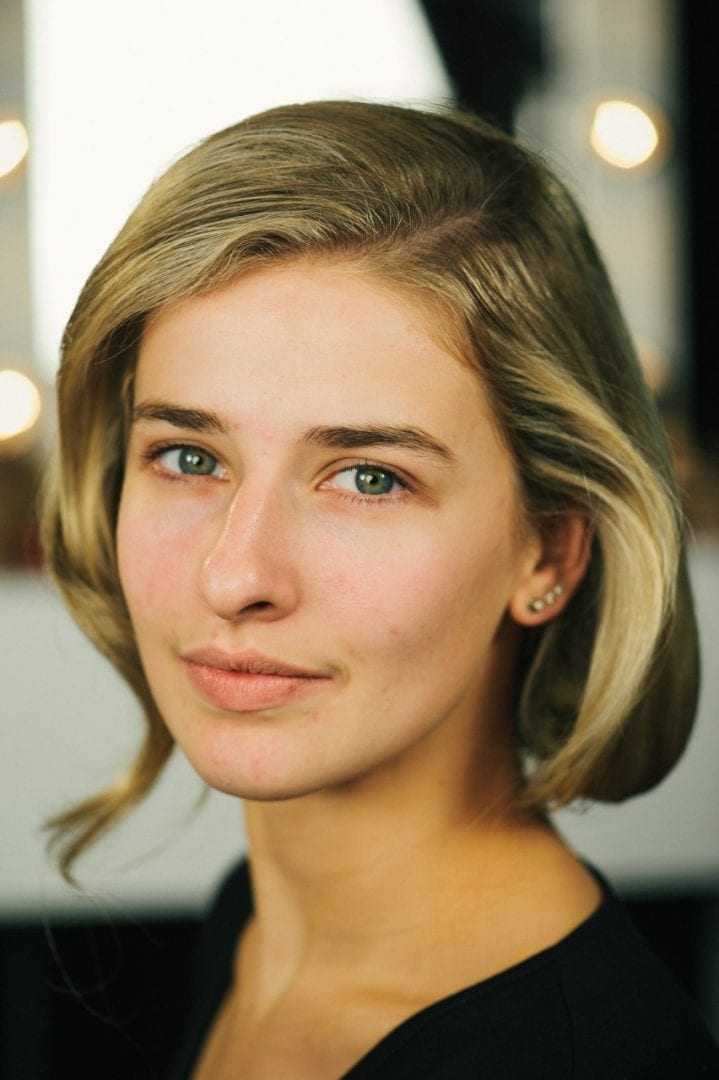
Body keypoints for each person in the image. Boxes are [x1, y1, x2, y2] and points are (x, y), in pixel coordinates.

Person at [39, 99, 719, 1078]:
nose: (234, 576)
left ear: (549, 554)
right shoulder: (252, 932)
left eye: (367, 478)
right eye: (189, 457)